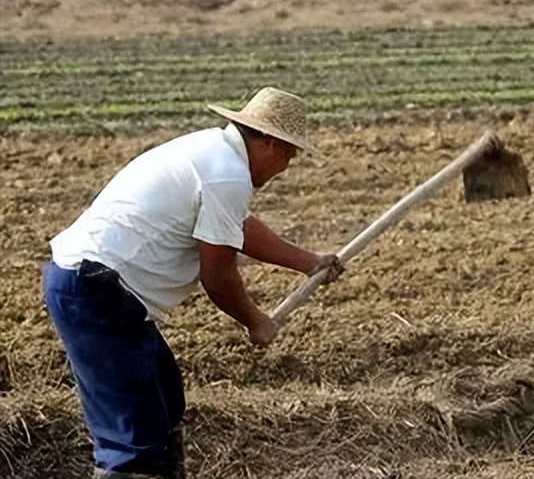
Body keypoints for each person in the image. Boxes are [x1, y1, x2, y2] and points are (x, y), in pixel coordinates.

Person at [42, 86, 344, 479]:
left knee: (164, 403)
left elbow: (236, 227)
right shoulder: (226, 176)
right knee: (133, 440)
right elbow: (218, 276)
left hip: (101, 290)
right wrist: (256, 320)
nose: (285, 167)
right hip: (97, 292)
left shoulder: (211, 152)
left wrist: (309, 262)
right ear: (271, 144)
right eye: (290, 155)